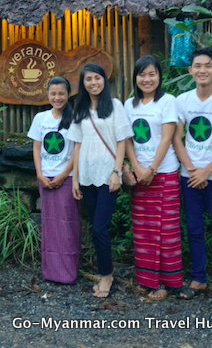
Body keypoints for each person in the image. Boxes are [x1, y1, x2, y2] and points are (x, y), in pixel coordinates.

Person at [171, 48, 212, 306]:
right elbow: (176, 137)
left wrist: (208, 171)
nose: (202, 70)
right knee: (193, 228)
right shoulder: (182, 100)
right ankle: (198, 278)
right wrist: (190, 169)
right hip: (188, 175)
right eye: (197, 66)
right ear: (190, 71)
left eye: (208, 66)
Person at [67, 63, 133, 298]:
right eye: (88, 79)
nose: (93, 83)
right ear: (83, 83)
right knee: (95, 227)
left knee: (99, 228)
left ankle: (106, 275)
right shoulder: (80, 108)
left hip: (108, 176)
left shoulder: (115, 105)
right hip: (86, 175)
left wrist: (116, 172)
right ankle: (105, 271)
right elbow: (77, 144)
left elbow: (122, 140)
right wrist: (75, 179)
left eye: (97, 78)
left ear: (104, 80)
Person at [123, 55, 181, 301]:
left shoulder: (168, 101)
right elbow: (126, 139)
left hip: (164, 173)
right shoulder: (129, 105)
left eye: (152, 74)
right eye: (142, 74)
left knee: (166, 230)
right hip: (139, 177)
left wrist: (152, 169)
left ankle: (166, 284)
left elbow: (168, 138)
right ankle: (147, 280)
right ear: (135, 78)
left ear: (159, 76)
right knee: (143, 229)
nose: (147, 79)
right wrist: (136, 166)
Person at [27, 76, 79, 284]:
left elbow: (77, 151)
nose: (57, 98)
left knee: (67, 225)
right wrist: (40, 174)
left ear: (68, 95)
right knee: (49, 225)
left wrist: (63, 175)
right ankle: (51, 272)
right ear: (47, 95)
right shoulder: (40, 119)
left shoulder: (75, 118)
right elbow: (37, 148)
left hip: (66, 179)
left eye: (61, 94)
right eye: (53, 93)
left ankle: (68, 272)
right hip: (45, 178)